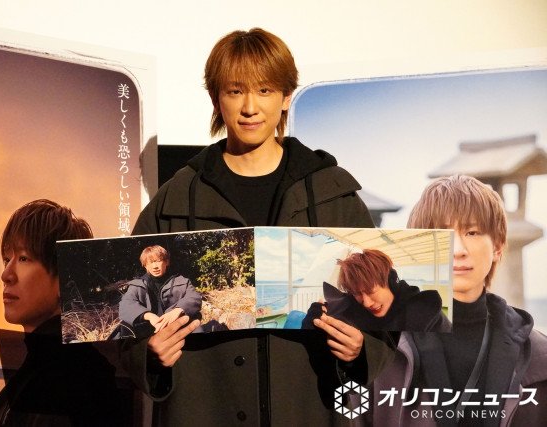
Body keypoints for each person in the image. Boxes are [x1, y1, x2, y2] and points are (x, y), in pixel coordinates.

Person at [126, 28, 395, 426]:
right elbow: (126, 315)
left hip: (309, 408)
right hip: (205, 408)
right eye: (235, 91)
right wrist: (150, 354)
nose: (250, 107)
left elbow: (383, 314)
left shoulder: (332, 193)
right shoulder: (176, 199)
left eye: (265, 90)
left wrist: (361, 349)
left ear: (286, 96)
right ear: (216, 98)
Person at [362, 175, 547, 426]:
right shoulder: (379, 348)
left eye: (472, 232)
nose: (458, 249)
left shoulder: (538, 353)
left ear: (498, 246)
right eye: (443, 234)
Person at [0, 199, 127, 426]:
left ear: (66, 278)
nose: (6, 275)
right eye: (6, 259)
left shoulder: (73, 381)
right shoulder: (40, 372)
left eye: (23, 258)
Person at [304, 249, 451, 332]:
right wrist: (313, 326)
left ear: (391, 281)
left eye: (370, 290)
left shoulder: (428, 316)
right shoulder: (349, 310)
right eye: (357, 294)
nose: (366, 303)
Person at [119, 245, 201, 338]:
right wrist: (149, 316)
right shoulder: (137, 285)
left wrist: (178, 310)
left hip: (177, 326)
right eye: (150, 262)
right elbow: (126, 303)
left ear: (167, 262)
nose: (155, 266)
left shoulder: (182, 281)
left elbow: (194, 297)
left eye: (158, 261)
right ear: (145, 265)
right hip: (148, 330)